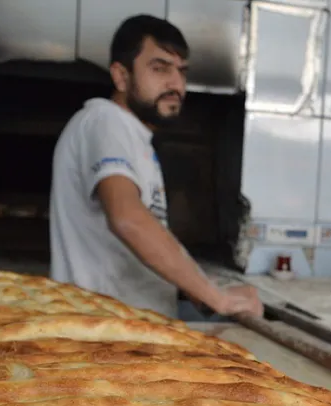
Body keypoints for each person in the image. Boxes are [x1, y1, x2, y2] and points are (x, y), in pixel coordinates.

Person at [49, 15, 262, 318]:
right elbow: (127, 218)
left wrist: (198, 288)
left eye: (181, 72)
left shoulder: (135, 138)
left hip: (132, 337)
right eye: (159, 68)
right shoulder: (105, 121)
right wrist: (216, 297)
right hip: (105, 339)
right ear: (121, 76)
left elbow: (149, 234)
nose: (176, 84)